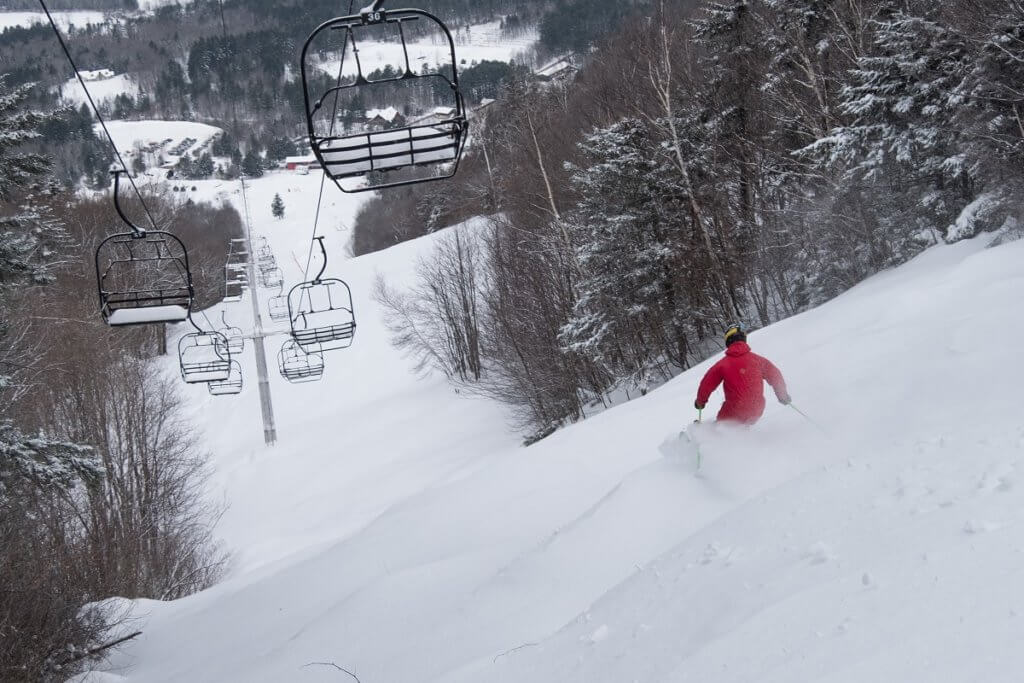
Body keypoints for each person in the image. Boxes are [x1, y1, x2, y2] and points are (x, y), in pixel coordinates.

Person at [694, 324, 790, 425]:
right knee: (740, 426)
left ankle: (706, 438)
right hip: (757, 410)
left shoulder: (723, 364)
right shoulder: (758, 360)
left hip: (734, 411)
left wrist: (700, 402)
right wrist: (782, 395)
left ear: (728, 342)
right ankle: (741, 438)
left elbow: (706, 384)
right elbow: (775, 375)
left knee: (720, 428)